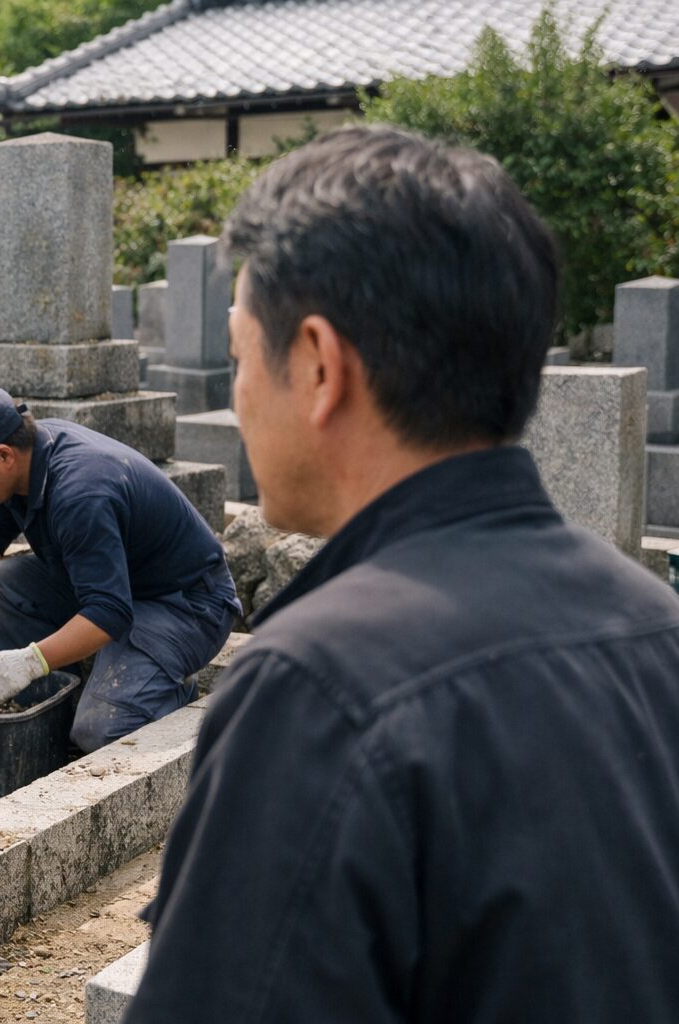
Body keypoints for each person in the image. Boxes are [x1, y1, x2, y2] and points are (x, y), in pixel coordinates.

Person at [123, 126, 679, 1023]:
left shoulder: (319, 688)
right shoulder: (657, 622)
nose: (235, 394)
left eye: (236, 358)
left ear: (317, 365)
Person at [0, 384, 239, 751]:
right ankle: (51, 714)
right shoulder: (27, 455)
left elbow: (109, 612)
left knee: (102, 732)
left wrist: (30, 661)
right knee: (3, 585)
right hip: (123, 586)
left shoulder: (81, 492)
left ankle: (171, 699)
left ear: (3, 456)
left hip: (186, 606)